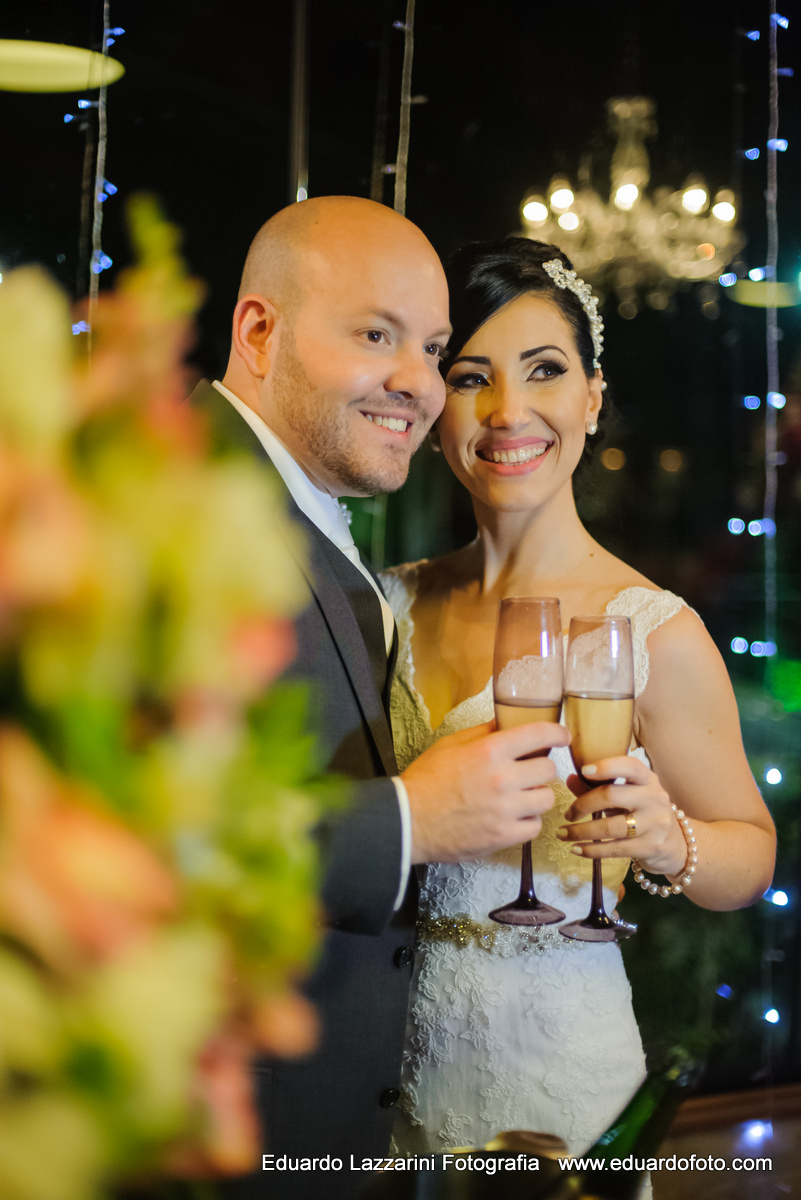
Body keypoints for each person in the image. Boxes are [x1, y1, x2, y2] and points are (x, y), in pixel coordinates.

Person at [189, 200, 570, 1199]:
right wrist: (414, 818)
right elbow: (130, 834)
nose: (420, 383)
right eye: (375, 335)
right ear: (259, 331)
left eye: (434, 348)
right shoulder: (169, 503)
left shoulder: (310, 513)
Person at [381, 237, 777, 1159]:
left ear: (591, 399)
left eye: (545, 370)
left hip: (555, 1082)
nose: (508, 410)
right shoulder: (385, 604)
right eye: (472, 376)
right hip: (380, 1091)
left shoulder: (651, 630)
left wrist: (664, 838)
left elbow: (748, 854)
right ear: (437, 405)